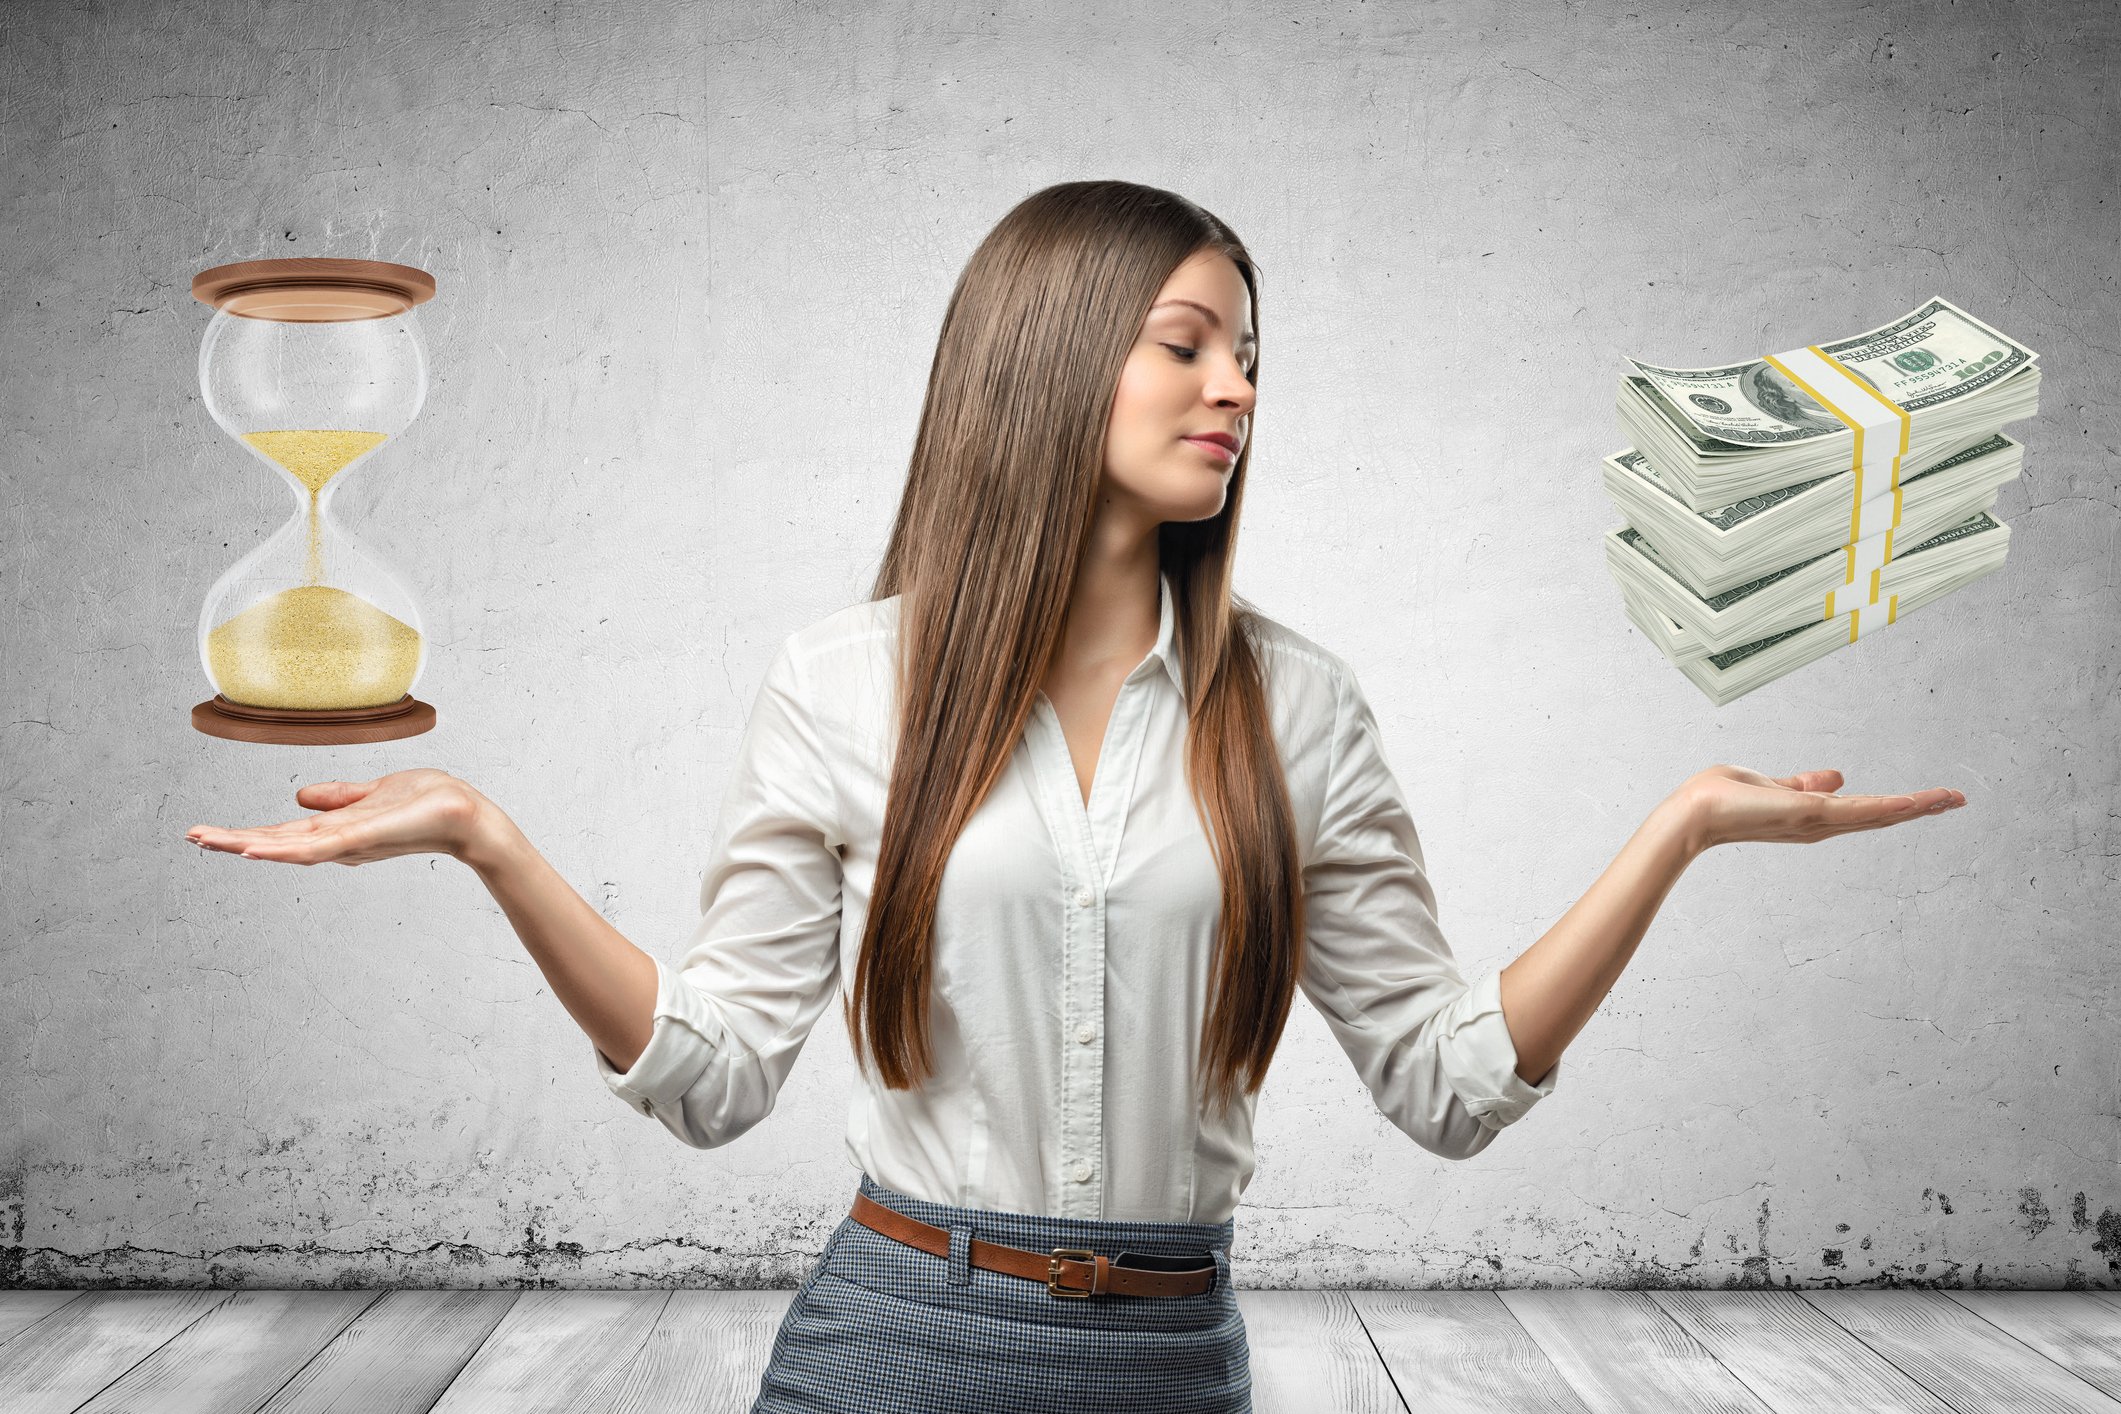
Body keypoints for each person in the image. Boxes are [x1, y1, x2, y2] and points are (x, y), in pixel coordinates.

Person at [183, 179, 1967, 1414]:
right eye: (1186, 342)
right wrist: (491, 840)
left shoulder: (1303, 710)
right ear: (1046, 355)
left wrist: (1678, 831)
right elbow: (716, 1076)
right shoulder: (842, 682)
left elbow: (1443, 1083)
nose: (1237, 387)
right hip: (892, 1333)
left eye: (1248, 352)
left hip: (1168, 1355)